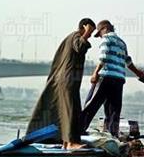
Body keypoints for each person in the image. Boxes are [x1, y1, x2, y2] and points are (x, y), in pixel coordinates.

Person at [26, 18, 96, 149]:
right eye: (90, 31)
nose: (90, 35)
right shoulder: (76, 35)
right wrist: (86, 33)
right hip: (67, 80)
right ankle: (71, 143)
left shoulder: (71, 37)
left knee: (67, 110)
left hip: (67, 80)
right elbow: (80, 47)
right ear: (84, 27)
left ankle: (65, 142)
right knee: (70, 110)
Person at [80, 20, 144, 137]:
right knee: (114, 110)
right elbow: (128, 61)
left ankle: (77, 131)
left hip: (105, 76)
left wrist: (95, 73)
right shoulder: (122, 43)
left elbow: (103, 58)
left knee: (91, 104)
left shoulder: (106, 39)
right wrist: (139, 73)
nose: (100, 37)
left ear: (104, 28)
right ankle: (113, 136)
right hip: (119, 79)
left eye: (99, 34)